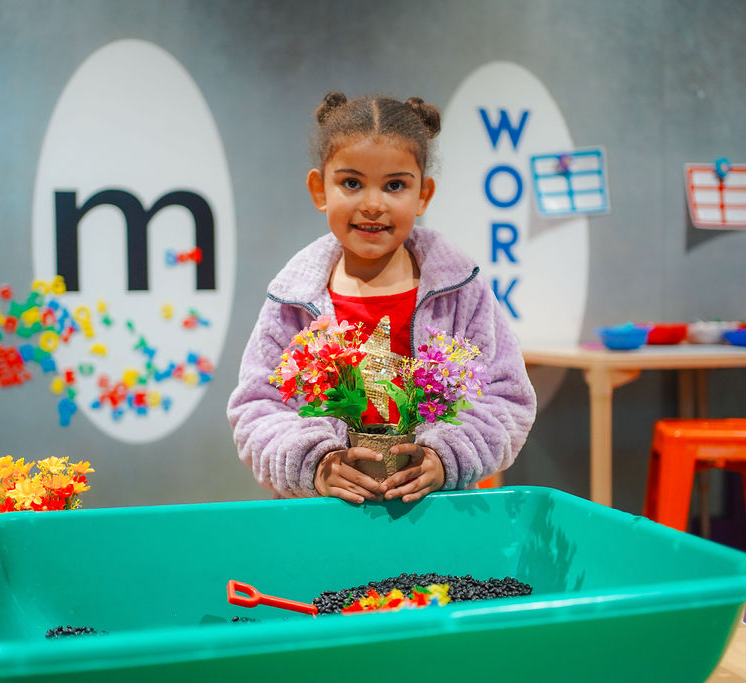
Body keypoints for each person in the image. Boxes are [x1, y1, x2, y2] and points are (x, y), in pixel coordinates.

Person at [228, 92, 536, 504]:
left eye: (394, 186)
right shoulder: (291, 300)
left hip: (434, 515)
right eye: (351, 183)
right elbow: (256, 409)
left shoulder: (462, 290)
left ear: (423, 195)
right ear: (320, 189)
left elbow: (506, 398)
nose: (373, 204)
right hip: (323, 520)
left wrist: (446, 458)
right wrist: (314, 464)